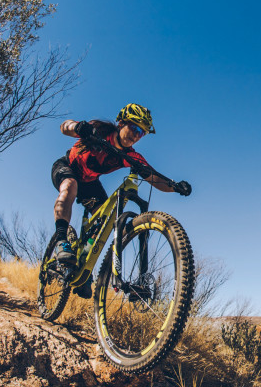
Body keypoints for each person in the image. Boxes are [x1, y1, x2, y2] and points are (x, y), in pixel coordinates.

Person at [50, 103, 191, 298]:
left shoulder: (130, 156)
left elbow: (154, 178)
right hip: (68, 167)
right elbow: (64, 126)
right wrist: (78, 127)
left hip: (90, 183)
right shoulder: (97, 130)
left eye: (141, 133)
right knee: (70, 187)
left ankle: (84, 271)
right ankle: (61, 241)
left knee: (105, 222)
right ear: (121, 123)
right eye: (134, 128)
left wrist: (175, 186)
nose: (135, 135)